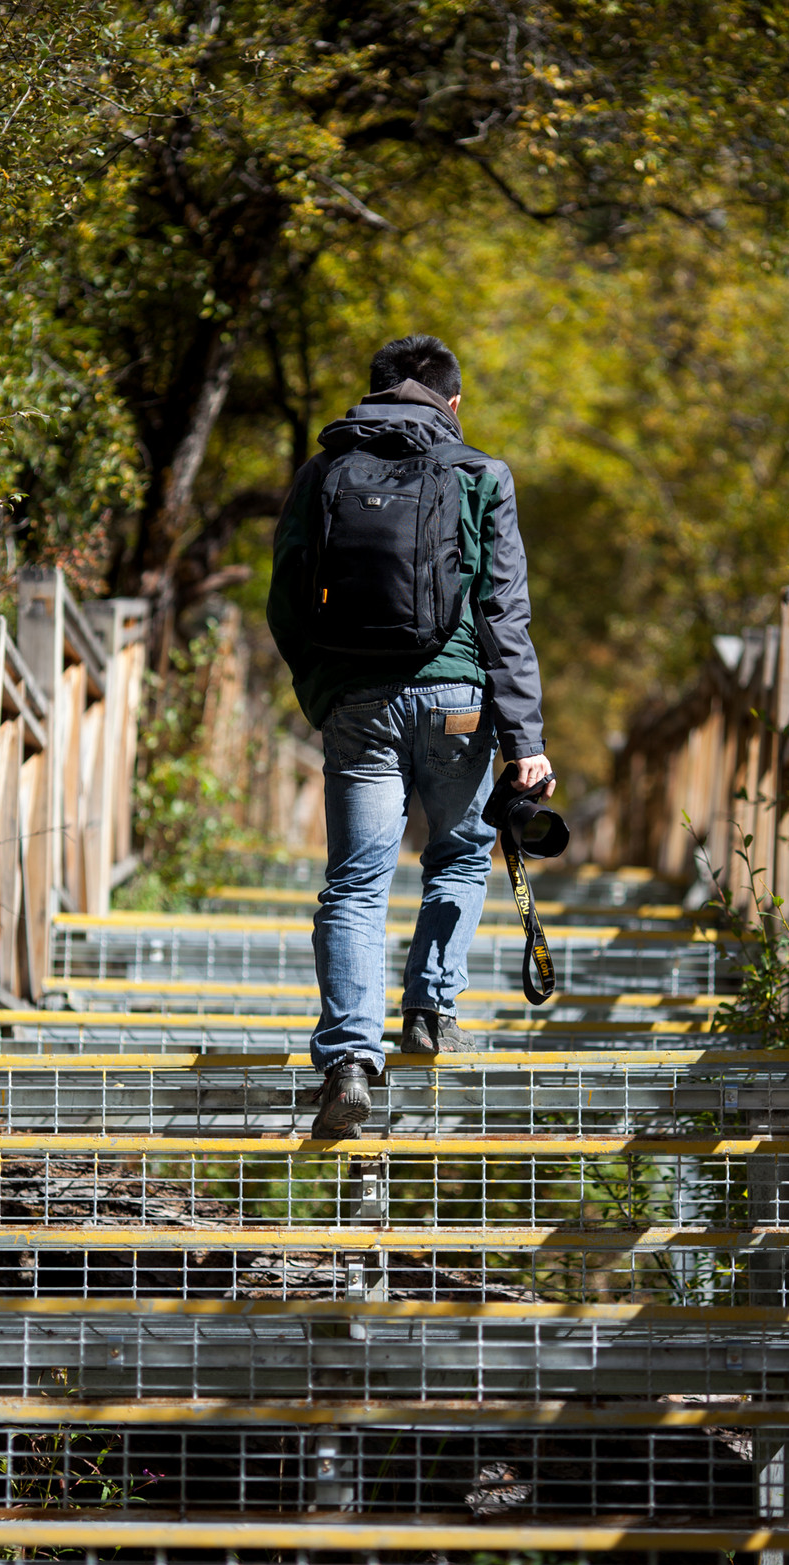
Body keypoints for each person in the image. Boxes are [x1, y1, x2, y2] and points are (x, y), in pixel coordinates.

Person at [267, 333, 553, 1136]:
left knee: (355, 883)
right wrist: (524, 738)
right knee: (459, 854)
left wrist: (326, 691)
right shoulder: (481, 475)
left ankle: (351, 1061)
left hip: (359, 706)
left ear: (377, 392)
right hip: (460, 701)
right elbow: (505, 616)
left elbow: (285, 602)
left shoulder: (323, 473)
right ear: (452, 403)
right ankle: (429, 1011)